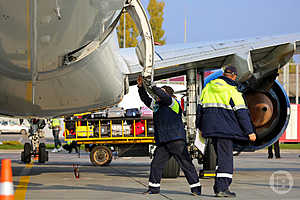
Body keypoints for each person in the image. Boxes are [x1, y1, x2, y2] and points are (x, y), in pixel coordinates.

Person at [196, 65, 256, 198]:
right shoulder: (232, 91)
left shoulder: (208, 88)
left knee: (220, 159)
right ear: (234, 76)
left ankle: (220, 186)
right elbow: (242, 113)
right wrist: (249, 132)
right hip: (225, 130)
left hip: (210, 130)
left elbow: (199, 110)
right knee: (226, 159)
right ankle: (222, 188)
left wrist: (199, 127)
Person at [137, 76, 202, 196]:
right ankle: (153, 188)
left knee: (186, 164)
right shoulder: (157, 105)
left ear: (168, 94)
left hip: (175, 140)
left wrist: (152, 86)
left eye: (162, 92)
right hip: (163, 142)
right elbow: (145, 99)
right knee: (156, 164)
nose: (158, 96)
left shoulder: (173, 103)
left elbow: (164, 96)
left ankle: (196, 189)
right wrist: (141, 87)